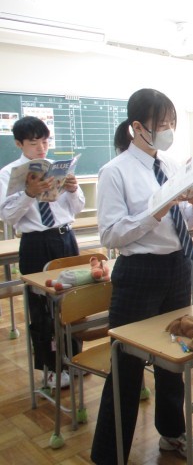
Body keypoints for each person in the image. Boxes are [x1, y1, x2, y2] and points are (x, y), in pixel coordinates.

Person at [91, 89, 193, 463]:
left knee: (173, 356)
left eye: (172, 123)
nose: (168, 130)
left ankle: (172, 433)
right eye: (161, 124)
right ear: (137, 127)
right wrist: (155, 211)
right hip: (139, 274)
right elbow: (111, 235)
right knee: (126, 365)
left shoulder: (172, 166)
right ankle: (109, 454)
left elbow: (180, 223)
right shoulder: (115, 172)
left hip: (178, 266)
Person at [0, 116, 85, 390]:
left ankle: (74, 358)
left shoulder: (57, 169)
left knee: (73, 301)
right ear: (19, 143)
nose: (41, 148)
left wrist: (73, 190)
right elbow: (8, 217)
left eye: (45, 141)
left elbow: (76, 208)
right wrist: (28, 193)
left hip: (65, 237)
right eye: (34, 142)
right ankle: (50, 368)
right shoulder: (8, 174)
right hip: (36, 242)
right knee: (41, 308)